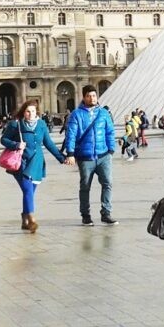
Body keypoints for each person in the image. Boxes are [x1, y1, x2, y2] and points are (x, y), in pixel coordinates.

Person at [0, 100, 66, 232]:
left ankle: (24, 218)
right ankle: (31, 219)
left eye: (33, 111)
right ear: (23, 112)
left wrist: (61, 158)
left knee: (29, 192)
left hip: (36, 162)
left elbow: (48, 143)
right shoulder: (16, 124)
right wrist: (16, 145)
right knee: (27, 189)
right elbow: (3, 139)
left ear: (37, 112)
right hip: (21, 163)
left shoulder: (41, 125)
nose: (30, 114)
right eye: (28, 111)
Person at [63, 85, 118, 226]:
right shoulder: (76, 114)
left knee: (108, 183)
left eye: (94, 95)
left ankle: (106, 213)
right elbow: (71, 135)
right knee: (85, 186)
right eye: (89, 96)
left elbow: (110, 132)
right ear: (83, 97)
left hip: (103, 155)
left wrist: (111, 150)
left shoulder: (104, 113)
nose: (92, 98)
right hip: (85, 157)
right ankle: (85, 215)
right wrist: (70, 153)